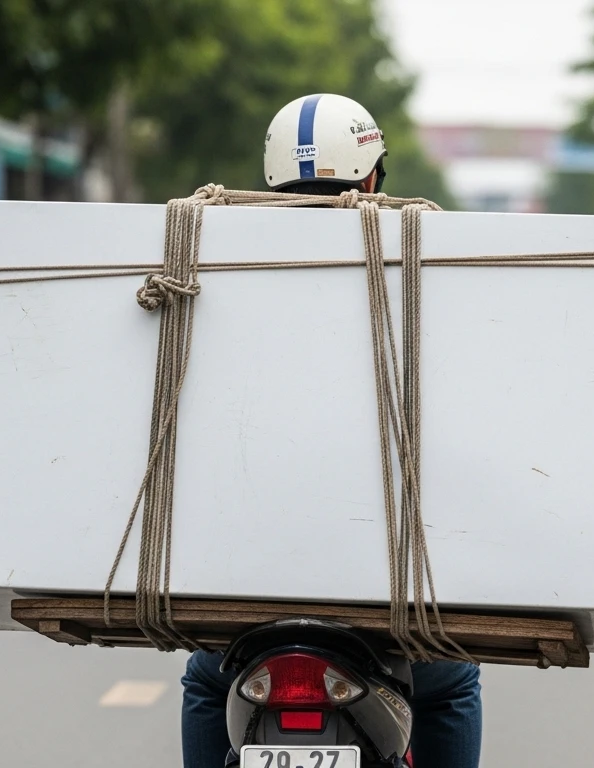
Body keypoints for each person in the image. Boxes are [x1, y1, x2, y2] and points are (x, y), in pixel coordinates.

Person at [179, 94, 483, 768]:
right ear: (373, 176)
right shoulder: (424, 262)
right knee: (452, 681)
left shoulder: (213, 263)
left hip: (252, 583)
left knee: (206, 680)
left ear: (269, 182)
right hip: (385, 587)